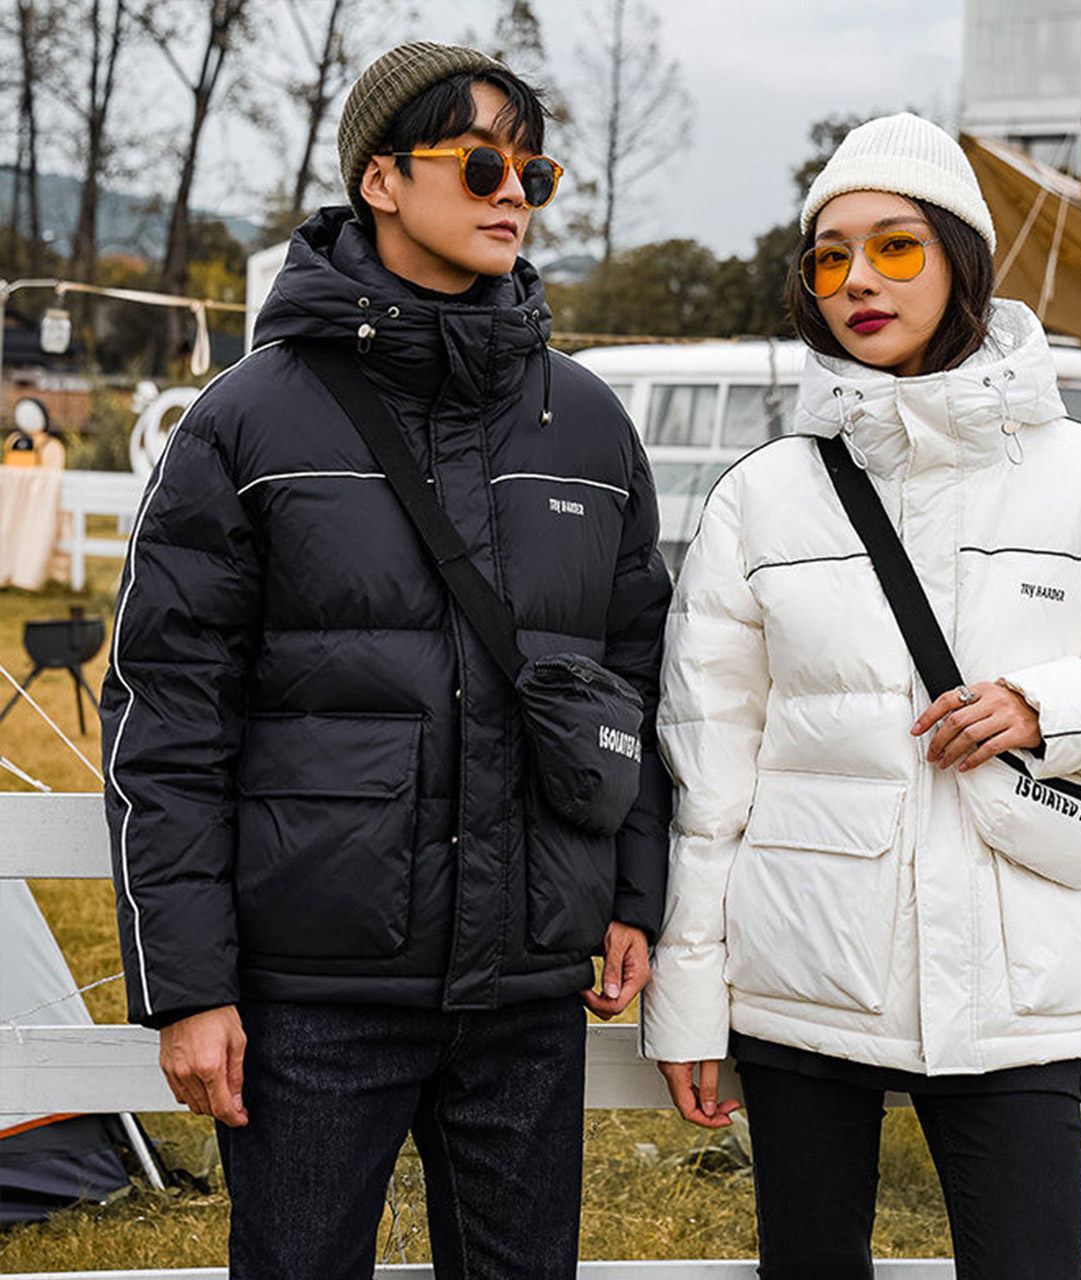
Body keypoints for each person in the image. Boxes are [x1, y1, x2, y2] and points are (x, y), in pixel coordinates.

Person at [642, 113, 1081, 1279]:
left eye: (894, 246)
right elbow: (708, 773)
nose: (855, 281)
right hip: (801, 972)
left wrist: (1047, 704)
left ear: (962, 259)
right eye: (828, 257)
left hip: (1016, 983)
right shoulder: (761, 498)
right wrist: (686, 998)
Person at [100, 42, 671, 1280]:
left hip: (526, 989)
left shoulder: (587, 422)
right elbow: (166, 714)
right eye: (480, 165)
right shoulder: (247, 417)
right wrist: (188, 985)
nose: (513, 194)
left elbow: (635, 676)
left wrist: (634, 891)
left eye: (533, 172)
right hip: (312, 997)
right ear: (379, 179)